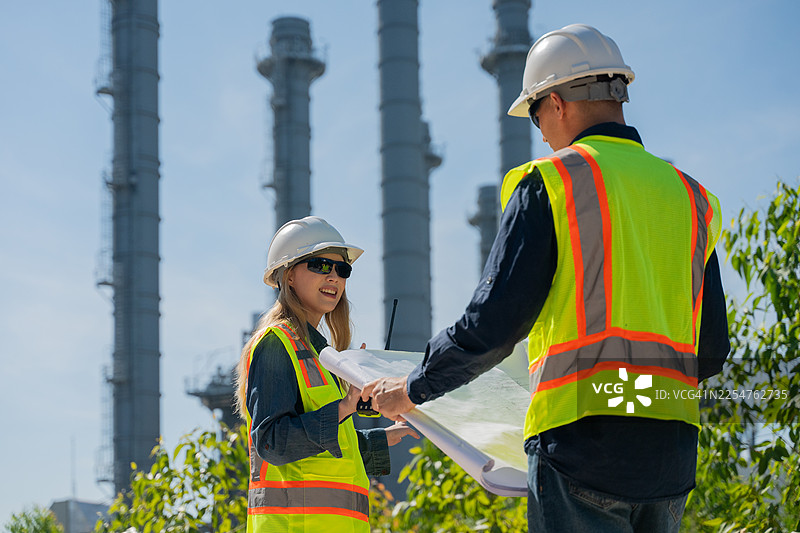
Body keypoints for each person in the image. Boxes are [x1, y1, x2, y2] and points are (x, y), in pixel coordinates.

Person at [362, 24, 730, 533]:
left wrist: (415, 387)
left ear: (555, 103)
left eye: (535, 113)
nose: (540, 132)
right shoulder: (690, 199)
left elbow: (492, 326)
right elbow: (709, 352)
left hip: (581, 451)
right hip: (669, 456)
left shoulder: (554, 182)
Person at [235, 216, 418, 533]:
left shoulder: (322, 358)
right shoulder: (277, 345)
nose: (334, 276)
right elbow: (273, 444)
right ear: (289, 275)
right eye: (320, 265)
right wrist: (346, 406)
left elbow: (325, 452)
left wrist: (381, 439)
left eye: (342, 269)